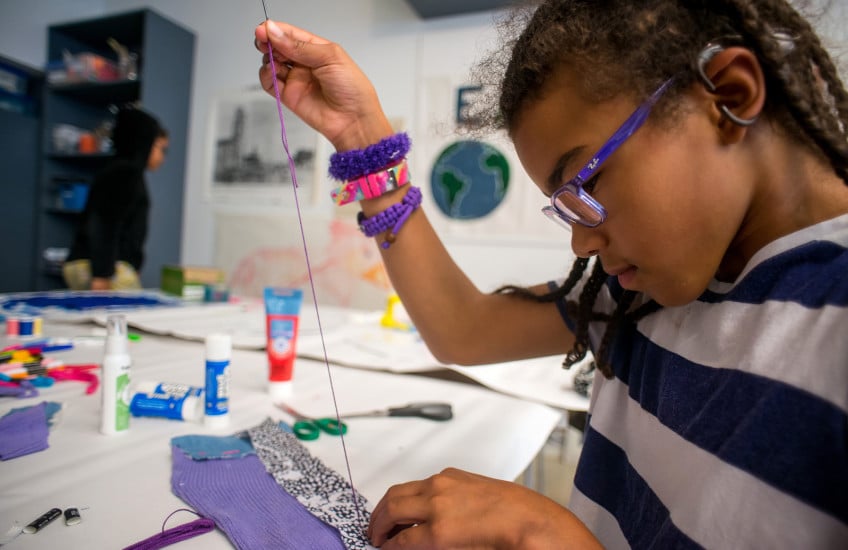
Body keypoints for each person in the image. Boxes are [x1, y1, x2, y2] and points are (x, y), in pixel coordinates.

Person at [255, 0, 848, 547]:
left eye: (587, 184)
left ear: (729, 93)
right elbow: (462, 327)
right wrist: (364, 141)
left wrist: (544, 532)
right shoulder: (633, 298)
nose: (582, 241)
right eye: (566, 206)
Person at [63, 107, 169, 291]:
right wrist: (102, 274)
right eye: (160, 148)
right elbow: (104, 224)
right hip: (100, 267)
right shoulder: (124, 173)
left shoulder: (127, 173)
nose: (162, 157)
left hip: (106, 265)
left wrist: (134, 264)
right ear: (143, 142)